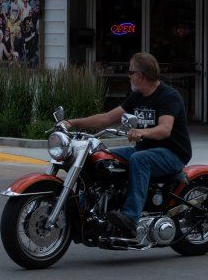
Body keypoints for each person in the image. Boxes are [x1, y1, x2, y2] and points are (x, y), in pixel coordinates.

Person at [62, 52, 192, 239]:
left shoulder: (168, 96)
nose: (128, 76)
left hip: (172, 154)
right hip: (146, 150)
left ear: (140, 76)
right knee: (101, 157)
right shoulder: (137, 96)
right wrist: (72, 123)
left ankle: (131, 218)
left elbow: (165, 129)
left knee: (140, 159)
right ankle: (86, 210)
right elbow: (106, 118)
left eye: (130, 72)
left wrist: (142, 132)